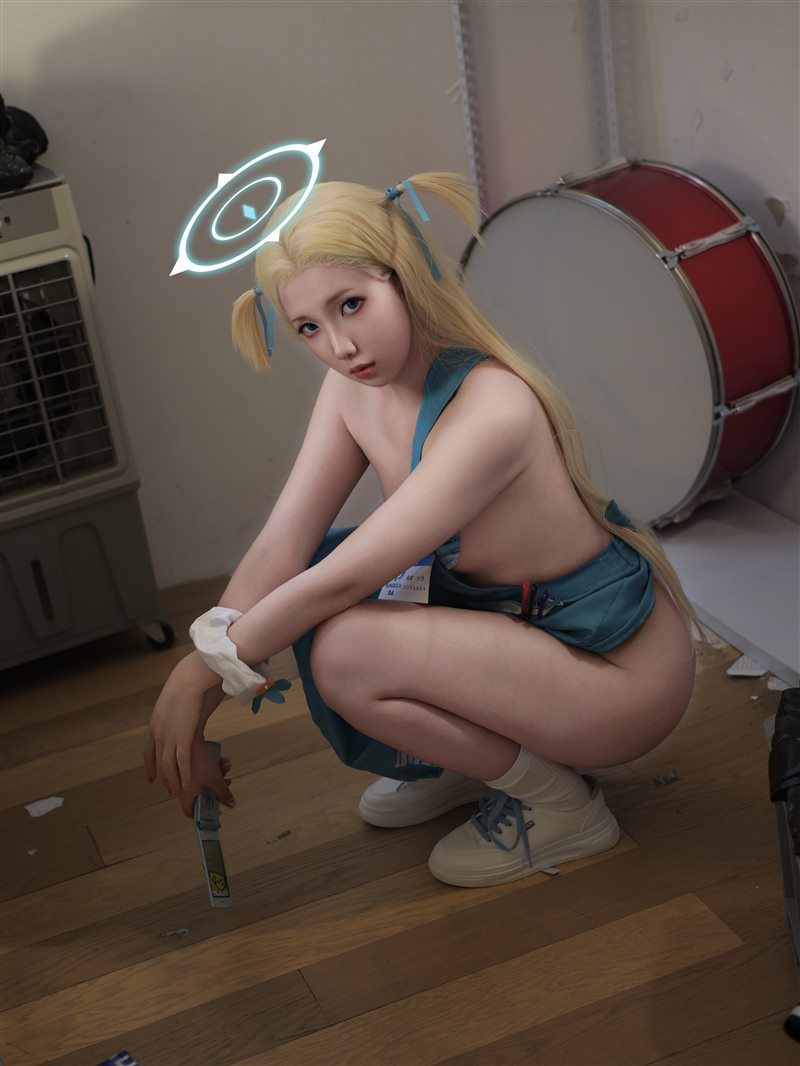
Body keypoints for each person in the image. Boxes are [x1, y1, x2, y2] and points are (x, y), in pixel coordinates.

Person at [145, 171, 697, 888]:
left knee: (344, 645)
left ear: (402, 277)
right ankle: (474, 756)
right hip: (516, 635)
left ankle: (563, 808)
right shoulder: (351, 388)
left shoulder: (492, 409)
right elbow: (283, 544)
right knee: (319, 582)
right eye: (309, 327)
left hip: (613, 673)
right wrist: (210, 644)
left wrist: (200, 681)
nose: (341, 346)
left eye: (352, 304)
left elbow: (343, 581)